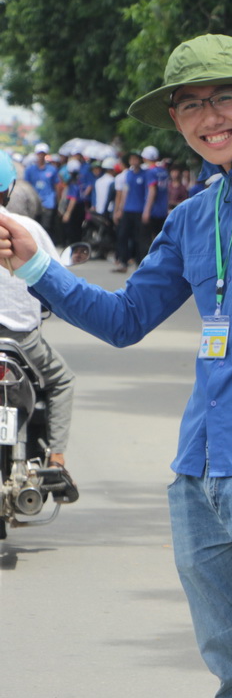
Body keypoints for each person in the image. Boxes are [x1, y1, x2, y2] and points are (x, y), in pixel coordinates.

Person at [0, 34, 232, 698]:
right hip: (200, 476)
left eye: (222, 96)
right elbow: (126, 321)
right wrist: (35, 265)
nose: (207, 116)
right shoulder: (194, 213)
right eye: (189, 104)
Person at [0, 151, 76, 473]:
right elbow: (59, 281)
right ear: (10, 188)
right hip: (22, 343)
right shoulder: (29, 228)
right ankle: (56, 460)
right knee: (62, 382)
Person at [111, 151, 148, 272]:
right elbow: (125, 192)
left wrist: (146, 210)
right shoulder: (128, 175)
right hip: (128, 209)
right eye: (131, 159)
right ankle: (123, 261)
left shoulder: (145, 174)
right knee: (122, 235)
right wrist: (119, 209)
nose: (133, 161)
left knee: (139, 237)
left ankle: (140, 262)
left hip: (139, 210)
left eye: (135, 159)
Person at [24, 143, 60, 241]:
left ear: (46, 155)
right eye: (39, 154)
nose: (41, 156)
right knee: (33, 225)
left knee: (46, 226)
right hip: (34, 202)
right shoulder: (30, 169)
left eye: (43, 154)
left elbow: (56, 185)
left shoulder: (52, 169)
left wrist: (58, 201)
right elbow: (26, 186)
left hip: (48, 202)